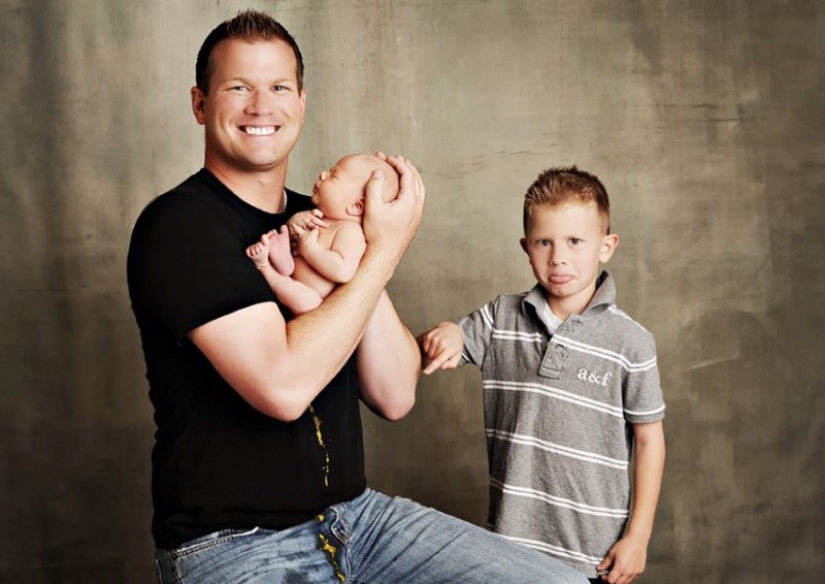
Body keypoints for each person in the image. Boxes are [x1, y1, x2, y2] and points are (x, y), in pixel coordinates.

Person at [127, 9, 588, 583]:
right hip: (233, 545)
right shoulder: (179, 227)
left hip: (357, 522)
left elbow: (395, 395)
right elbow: (283, 387)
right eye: (238, 87)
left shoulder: (319, 223)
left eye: (278, 88)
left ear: (301, 102)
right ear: (200, 103)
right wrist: (385, 250)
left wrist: (368, 248)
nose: (261, 106)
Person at [420, 166, 666, 583]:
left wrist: (638, 536)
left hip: (595, 555)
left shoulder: (632, 343)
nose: (558, 257)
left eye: (575, 241)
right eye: (544, 242)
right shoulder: (501, 318)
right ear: (525, 246)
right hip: (511, 548)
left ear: (606, 246)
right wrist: (445, 332)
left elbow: (649, 441)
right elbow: (450, 343)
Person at [245, 154, 399, 315]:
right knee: (287, 252)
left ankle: (264, 267)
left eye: (334, 175)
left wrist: (309, 249)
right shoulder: (316, 216)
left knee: (308, 301)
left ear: (357, 206)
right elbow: (298, 239)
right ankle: (279, 254)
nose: (323, 174)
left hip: (315, 304)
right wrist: (294, 224)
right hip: (291, 272)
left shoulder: (350, 232)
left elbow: (343, 271)